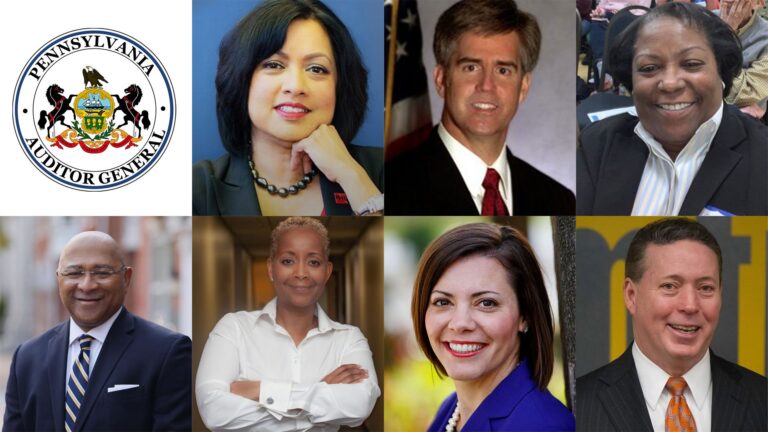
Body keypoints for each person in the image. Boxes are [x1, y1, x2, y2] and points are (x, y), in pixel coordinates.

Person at [193, 0, 384, 216]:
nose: (295, 87)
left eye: (316, 68)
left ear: (340, 87)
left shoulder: (383, 169)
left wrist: (351, 176)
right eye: (274, 65)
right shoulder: (198, 188)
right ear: (242, 80)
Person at [576, 218, 767, 431]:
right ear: (631, 296)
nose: (690, 305)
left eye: (705, 288)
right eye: (670, 286)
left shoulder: (762, 400)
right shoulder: (580, 406)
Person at [386, 0, 575, 215]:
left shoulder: (559, 201)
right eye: (471, 67)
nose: (486, 85)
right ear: (441, 79)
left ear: (523, 87)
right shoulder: (391, 191)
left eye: (503, 70)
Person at [578, 2, 768, 215]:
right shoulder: (594, 146)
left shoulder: (761, 158)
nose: (670, 83)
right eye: (649, 68)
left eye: (692, 64)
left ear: (721, 72)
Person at [195, 217, 380, 431]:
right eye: (287, 261)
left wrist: (260, 391)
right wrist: (320, 392)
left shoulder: (349, 338)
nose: (301, 273)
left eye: (313, 262)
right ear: (271, 269)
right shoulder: (233, 328)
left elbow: (360, 405)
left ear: (327, 271)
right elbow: (214, 411)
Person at [3, 231, 191, 431]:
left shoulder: (168, 353)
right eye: (74, 273)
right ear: (59, 279)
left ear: (126, 278)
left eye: (102, 272)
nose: (87, 285)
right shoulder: (27, 358)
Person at [411, 223, 574, 431]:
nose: (460, 324)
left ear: (525, 315)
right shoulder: (451, 408)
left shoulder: (541, 425)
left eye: (486, 303)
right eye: (443, 302)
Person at [721, 0, 768, 120]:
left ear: (758, 3)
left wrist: (726, 34)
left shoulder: (765, 38)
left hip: (742, 121)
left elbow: (742, 95)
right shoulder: (702, 21)